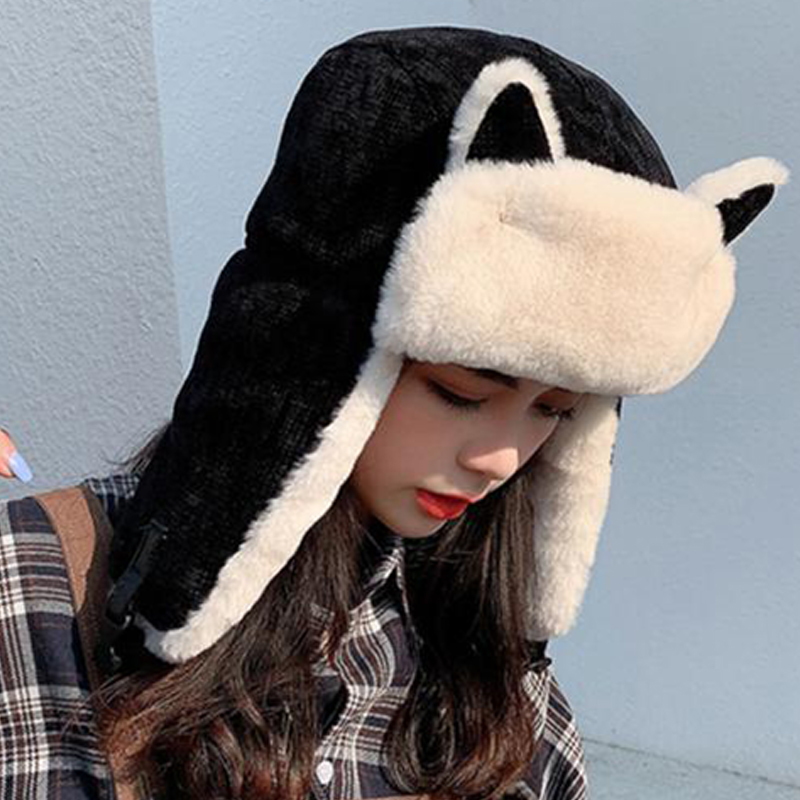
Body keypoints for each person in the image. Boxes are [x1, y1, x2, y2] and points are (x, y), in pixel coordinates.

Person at [0, 25, 786, 800]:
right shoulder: (35, 590)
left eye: (554, 410)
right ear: (316, 352)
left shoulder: (491, 663)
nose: (500, 457)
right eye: (461, 393)